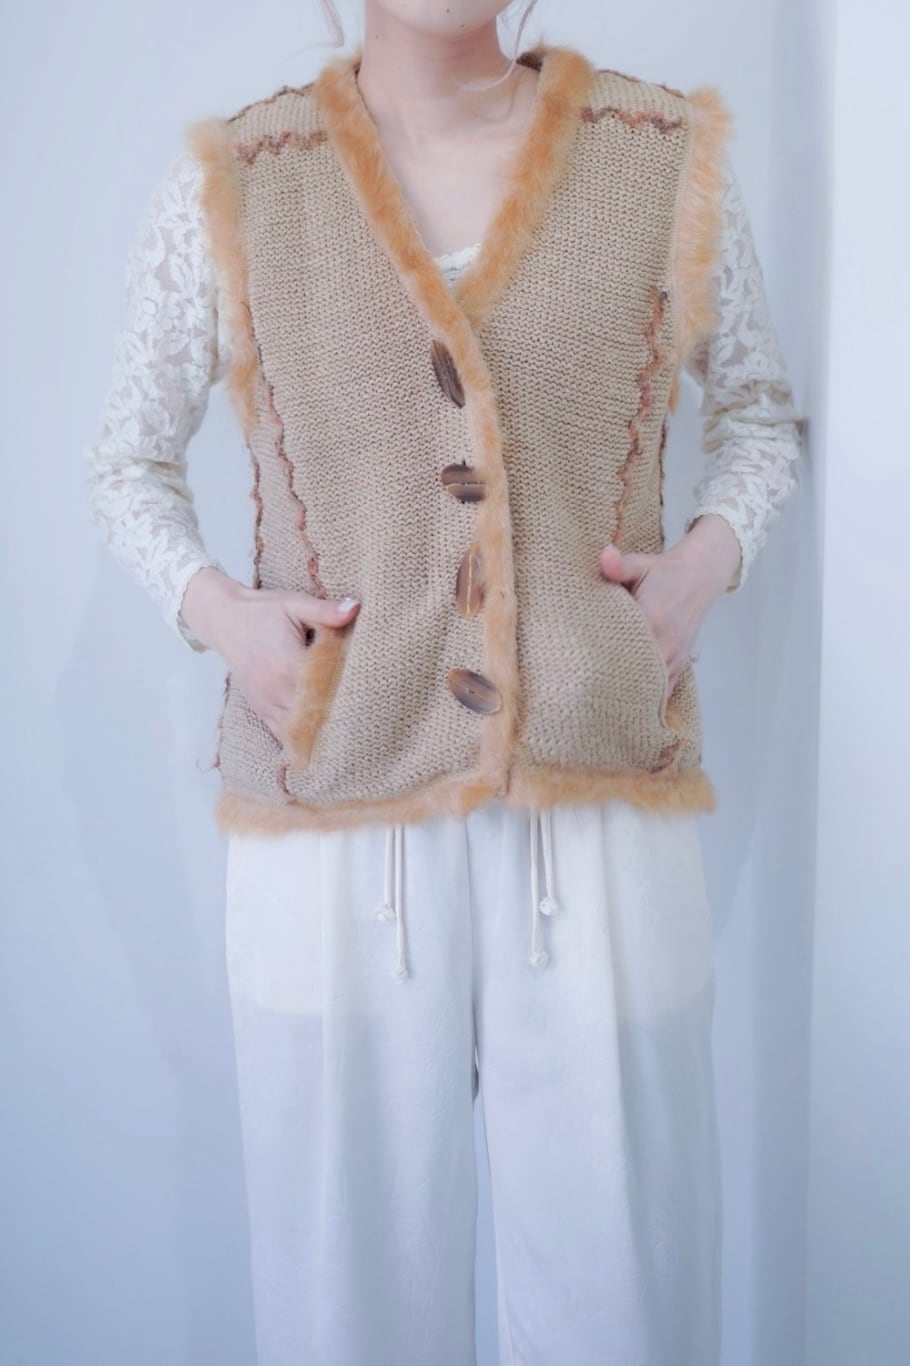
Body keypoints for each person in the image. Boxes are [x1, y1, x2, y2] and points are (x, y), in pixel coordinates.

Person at [82, 2, 804, 1362]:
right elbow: (127, 460)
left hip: (595, 812)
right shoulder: (238, 179)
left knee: (625, 1302)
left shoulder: (658, 154)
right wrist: (222, 616)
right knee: (343, 1310)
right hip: (332, 825)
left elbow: (761, 413)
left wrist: (703, 565)